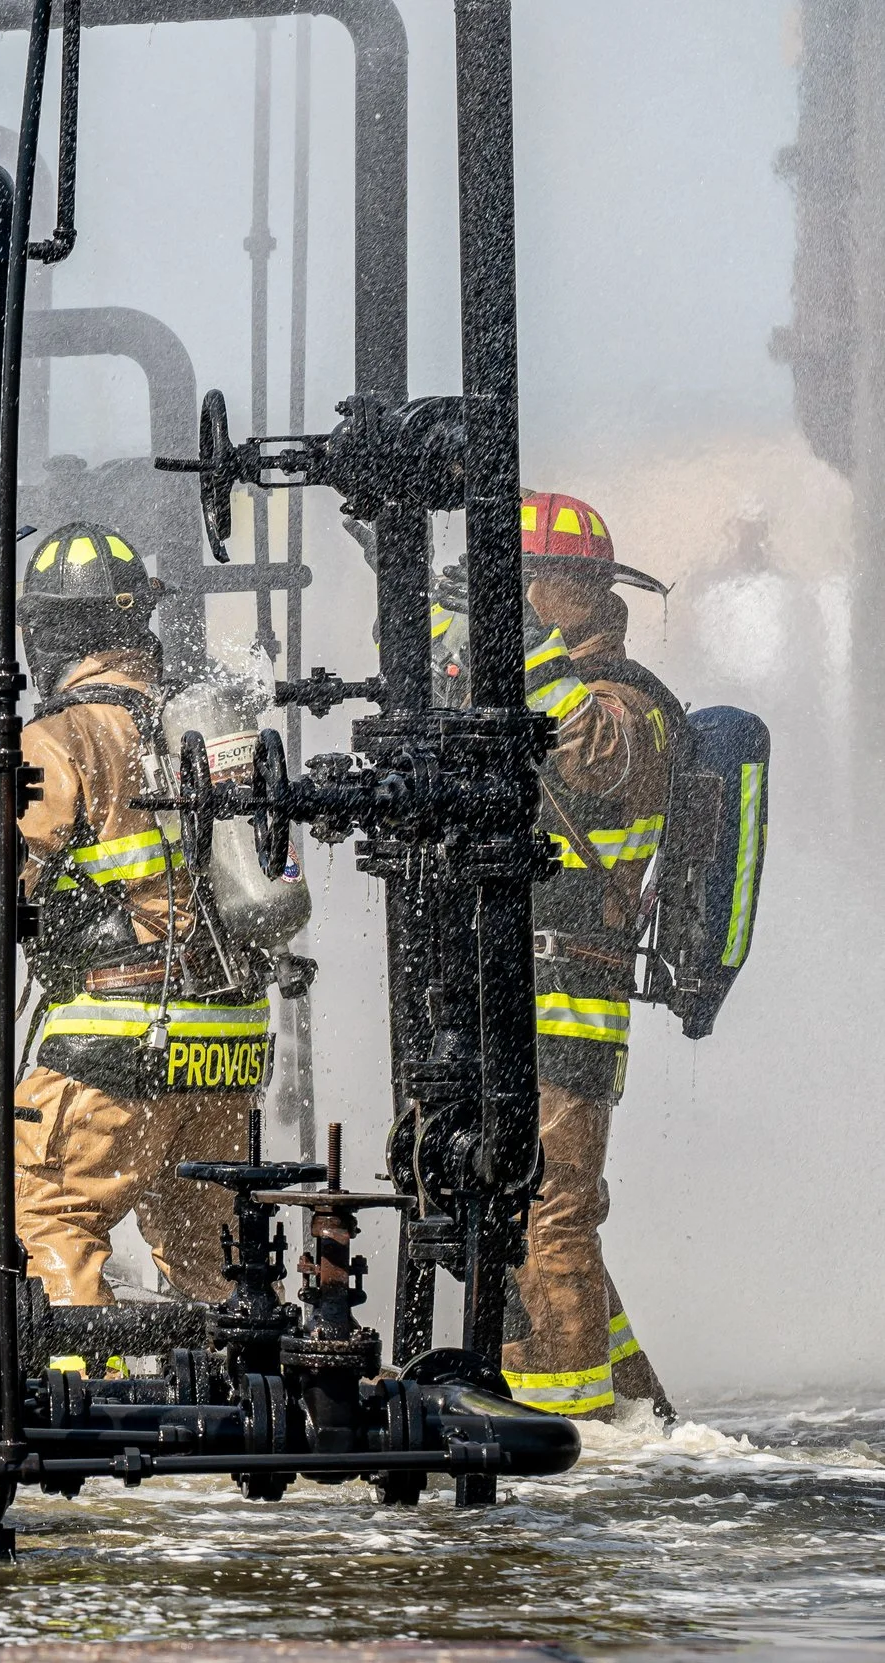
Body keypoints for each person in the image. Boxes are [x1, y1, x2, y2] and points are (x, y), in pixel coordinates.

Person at [7, 523, 275, 1310]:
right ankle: (234, 1382)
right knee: (213, 1261)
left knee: (53, 1221)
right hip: (226, 1044)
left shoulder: (58, 739)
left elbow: (1, 878)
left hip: (118, 1039)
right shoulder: (199, 726)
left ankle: (78, 1380)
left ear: (50, 632)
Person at [498, 491, 682, 1422]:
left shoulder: (627, 701)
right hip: (524, 988)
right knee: (532, 1211)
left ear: (568, 589)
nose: (516, 596)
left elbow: (593, 754)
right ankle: (641, 1418)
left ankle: (574, 1436)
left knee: (548, 1217)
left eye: (522, 580)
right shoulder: (556, 685)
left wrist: (521, 644)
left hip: (572, 991)